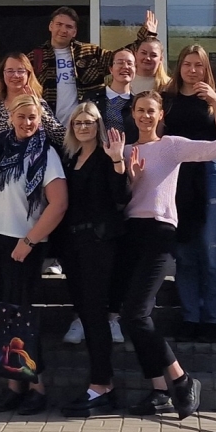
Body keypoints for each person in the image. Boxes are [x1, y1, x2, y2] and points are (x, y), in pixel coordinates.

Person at [120, 91, 216, 419]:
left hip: (160, 232)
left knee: (136, 314)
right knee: (133, 316)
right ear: (132, 114)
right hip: (131, 235)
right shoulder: (124, 151)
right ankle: (159, 390)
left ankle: (181, 379)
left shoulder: (171, 145)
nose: (145, 116)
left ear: (160, 115)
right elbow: (119, 198)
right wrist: (126, 174)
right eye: (140, 110)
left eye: (151, 111)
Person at [0, 96, 68, 416]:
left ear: (40, 120)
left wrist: (28, 241)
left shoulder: (46, 154)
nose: (27, 122)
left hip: (23, 243)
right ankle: (13, 386)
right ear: (11, 117)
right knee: (6, 316)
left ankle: (37, 388)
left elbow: (58, 204)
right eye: (22, 116)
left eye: (33, 117)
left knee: (21, 317)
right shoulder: (1, 147)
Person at [56, 104, 131, 414]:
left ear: (98, 125)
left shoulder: (106, 156)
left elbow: (121, 196)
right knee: (85, 313)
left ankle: (101, 385)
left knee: (95, 313)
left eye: (88, 122)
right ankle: (101, 383)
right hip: (72, 245)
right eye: (78, 122)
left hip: (99, 244)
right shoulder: (70, 158)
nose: (83, 127)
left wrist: (117, 161)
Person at [162, 45, 216, 343]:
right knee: (185, 252)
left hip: (211, 170)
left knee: (212, 250)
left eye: (199, 65)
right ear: (179, 67)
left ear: (207, 69)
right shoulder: (167, 98)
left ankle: (215, 319)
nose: (193, 71)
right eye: (187, 64)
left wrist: (214, 100)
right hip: (178, 173)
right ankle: (190, 316)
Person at [29, 7, 157, 125]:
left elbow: (120, 57)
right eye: (59, 24)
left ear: (74, 32)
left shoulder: (89, 52)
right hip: (49, 126)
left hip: (85, 127)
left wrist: (146, 34)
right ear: (51, 26)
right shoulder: (36, 57)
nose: (63, 30)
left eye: (69, 26)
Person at [0, 53, 65, 150]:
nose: (15, 75)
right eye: (10, 71)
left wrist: (37, 108)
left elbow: (61, 137)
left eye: (21, 71)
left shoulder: (38, 103)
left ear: (28, 74)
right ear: (2, 74)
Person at [85, 46, 139, 143]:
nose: (125, 67)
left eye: (130, 63)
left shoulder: (138, 103)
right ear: (111, 69)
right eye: (120, 62)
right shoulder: (92, 98)